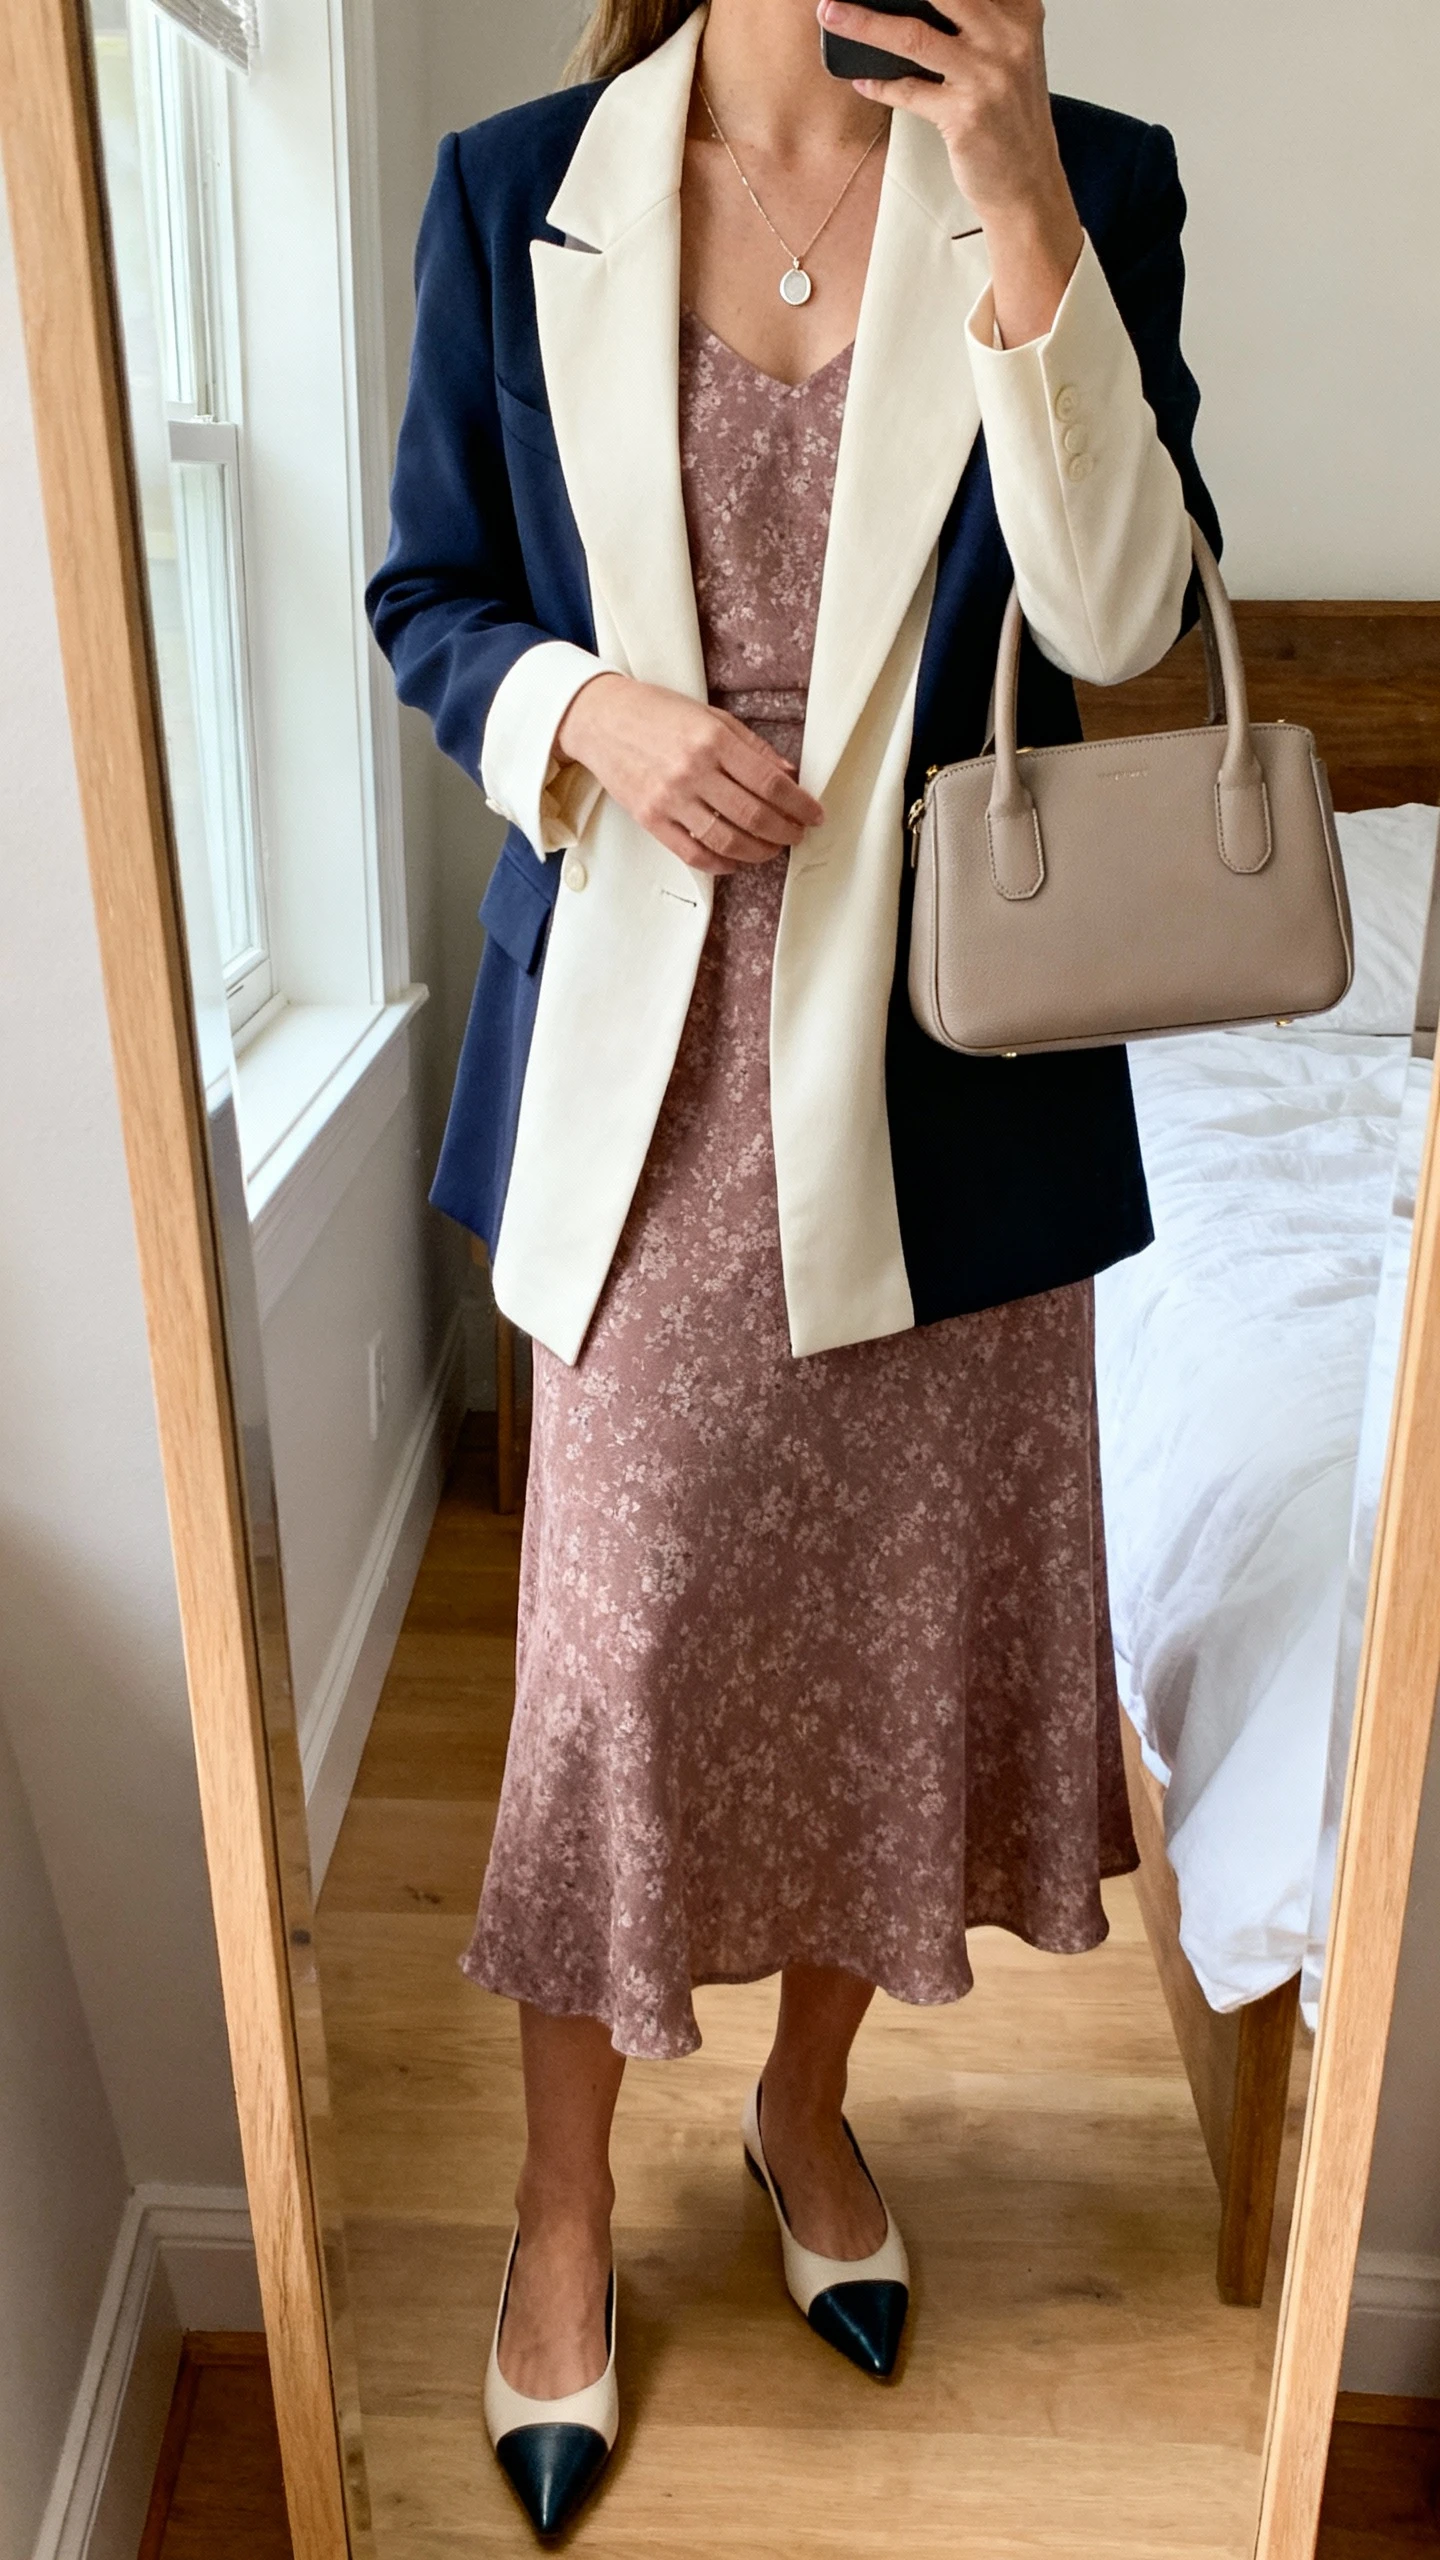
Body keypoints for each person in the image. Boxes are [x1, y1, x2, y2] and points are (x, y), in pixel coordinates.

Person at [367, 0, 1218, 2532]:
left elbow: (1124, 614)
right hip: (643, 1065)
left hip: (947, 1074)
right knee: (610, 1670)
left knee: (889, 1646)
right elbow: (425, 588)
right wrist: (595, 709)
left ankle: (810, 2104)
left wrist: (1026, 201)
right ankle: (551, 2214)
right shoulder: (516, 180)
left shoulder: (1093, 174)